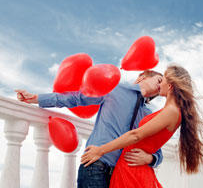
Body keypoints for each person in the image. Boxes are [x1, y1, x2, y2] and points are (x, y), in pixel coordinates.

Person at [15, 70, 164, 188]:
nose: (159, 87)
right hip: (96, 166)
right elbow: (76, 98)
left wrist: (151, 159)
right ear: (142, 76)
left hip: (121, 177)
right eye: (159, 80)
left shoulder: (148, 115)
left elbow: (157, 149)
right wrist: (37, 99)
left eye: (161, 88)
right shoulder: (114, 89)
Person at [81, 64, 203, 188]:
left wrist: (100, 150)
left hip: (132, 170)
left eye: (162, 80)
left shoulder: (171, 111)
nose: (160, 84)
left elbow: (136, 135)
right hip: (130, 166)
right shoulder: (168, 111)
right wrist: (150, 158)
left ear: (170, 86)